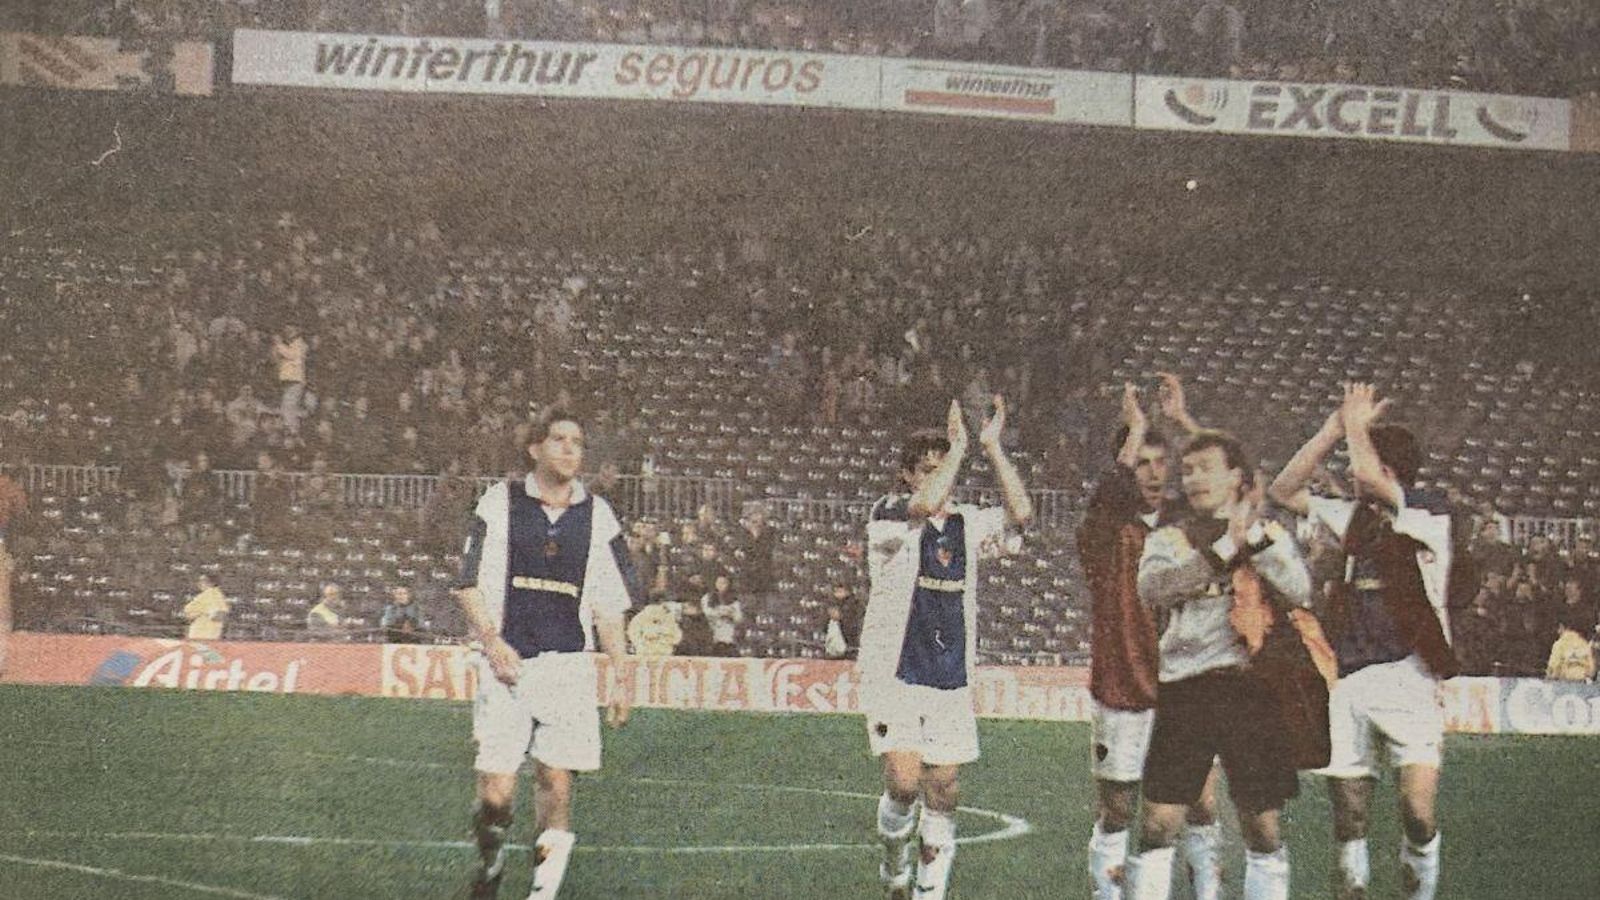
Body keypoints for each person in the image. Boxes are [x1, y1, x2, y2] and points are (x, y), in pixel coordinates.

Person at [1269, 384, 1456, 900]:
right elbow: (1283, 490)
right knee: (1349, 818)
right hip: (1350, 677)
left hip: (1411, 675)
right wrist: (1333, 427)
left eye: (1363, 463)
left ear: (1389, 471)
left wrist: (1356, 424)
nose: (1353, 474)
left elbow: (1369, 476)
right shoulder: (1356, 518)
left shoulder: (1428, 514)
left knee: (1417, 814)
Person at [452, 411, 634, 899]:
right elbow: (467, 584)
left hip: (568, 667)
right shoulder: (500, 502)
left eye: (578, 441)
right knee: (497, 795)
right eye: (559, 439)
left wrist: (621, 675)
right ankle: (490, 862)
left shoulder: (599, 515)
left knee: (556, 785)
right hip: (507, 663)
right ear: (535, 449)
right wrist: (492, 641)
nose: (570, 449)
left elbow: (610, 605)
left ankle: (541, 895)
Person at [1124, 429, 1312, 900]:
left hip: (1251, 689)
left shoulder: (1268, 535)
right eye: (1187, 470)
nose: (1193, 479)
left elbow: (1299, 591)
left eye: (1206, 468)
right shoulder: (1170, 538)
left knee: (1262, 827)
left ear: (1236, 477)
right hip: (1186, 688)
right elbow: (1153, 590)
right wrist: (1225, 548)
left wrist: (1252, 543)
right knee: (1158, 822)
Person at [860, 396, 1032, 900]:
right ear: (907, 475)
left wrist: (991, 447)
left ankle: (928, 893)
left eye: (943, 469)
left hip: (949, 674)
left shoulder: (967, 525)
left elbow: (1021, 514)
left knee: (944, 788)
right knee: (903, 783)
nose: (938, 478)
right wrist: (957, 449)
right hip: (894, 671)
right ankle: (894, 864)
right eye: (926, 470)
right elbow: (921, 506)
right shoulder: (889, 515)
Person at [1077, 379, 1220, 900]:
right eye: (1142, 462)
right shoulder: (1104, 530)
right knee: (1118, 811)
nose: (1155, 473)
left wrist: (1182, 422)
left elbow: (1228, 482)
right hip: (1123, 687)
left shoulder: (1188, 524)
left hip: (1188, 685)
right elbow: (1106, 497)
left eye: (1163, 462)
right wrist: (1135, 427)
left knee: (1201, 803)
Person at [701, 573, 744, 657]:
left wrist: (731, 615)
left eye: (724, 583)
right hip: (713, 632)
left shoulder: (734, 600)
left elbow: (739, 618)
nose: (721, 585)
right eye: (719, 582)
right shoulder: (707, 598)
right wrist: (719, 613)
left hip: (728, 634)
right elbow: (705, 612)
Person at [183, 573, 231, 641]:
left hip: (205, 635)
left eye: (203, 581)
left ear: (212, 583)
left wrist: (207, 615)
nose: (199, 583)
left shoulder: (212, 594)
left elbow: (220, 614)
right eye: (199, 581)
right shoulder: (205, 595)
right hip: (200, 633)